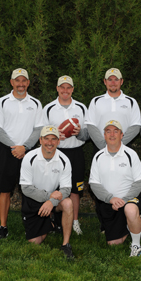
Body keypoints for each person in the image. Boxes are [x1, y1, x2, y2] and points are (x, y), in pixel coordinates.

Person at [0, 68, 43, 239]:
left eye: (24, 81)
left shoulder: (35, 103)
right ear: (12, 82)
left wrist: (25, 147)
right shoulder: (2, 102)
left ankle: (32, 223)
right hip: (8, 151)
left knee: (30, 189)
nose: (21, 84)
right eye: (17, 81)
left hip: (29, 151)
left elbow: (38, 129)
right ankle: (3, 226)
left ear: (28, 83)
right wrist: (15, 147)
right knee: (5, 190)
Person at [89, 120, 141, 257]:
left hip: (129, 200)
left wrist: (124, 200)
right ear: (104, 135)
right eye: (108, 131)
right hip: (109, 203)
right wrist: (111, 199)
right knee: (114, 243)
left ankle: (136, 245)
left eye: (116, 131)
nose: (112, 134)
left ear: (122, 135)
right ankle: (131, 225)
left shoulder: (131, 154)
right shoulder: (98, 156)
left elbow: (140, 182)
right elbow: (94, 184)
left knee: (131, 210)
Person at [43, 75, 89, 235]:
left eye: (68, 87)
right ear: (57, 88)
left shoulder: (81, 107)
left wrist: (79, 133)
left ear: (73, 89)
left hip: (76, 152)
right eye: (62, 87)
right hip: (55, 153)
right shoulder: (49, 108)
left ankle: (75, 222)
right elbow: (42, 133)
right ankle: (51, 222)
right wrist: (54, 136)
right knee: (53, 187)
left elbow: (87, 132)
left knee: (75, 190)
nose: (65, 90)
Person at [19, 125, 74, 258]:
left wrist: (51, 202)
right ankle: (50, 223)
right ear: (40, 140)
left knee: (68, 204)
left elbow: (66, 189)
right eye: (46, 139)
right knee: (34, 241)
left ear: (58, 141)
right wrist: (49, 196)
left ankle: (65, 245)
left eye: (53, 139)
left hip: (54, 200)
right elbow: (25, 188)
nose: (50, 143)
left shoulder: (64, 160)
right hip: (34, 198)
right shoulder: (29, 157)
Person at [85, 68, 141, 150]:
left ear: (121, 81)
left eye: (116, 79)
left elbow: (135, 126)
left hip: (124, 148)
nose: (113, 83)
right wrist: (104, 146)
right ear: (105, 81)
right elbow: (91, 125)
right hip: (100, 148)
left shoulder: (131, 102)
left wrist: (118, 145)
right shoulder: (96, 101)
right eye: (110, 79)